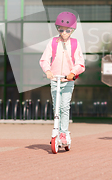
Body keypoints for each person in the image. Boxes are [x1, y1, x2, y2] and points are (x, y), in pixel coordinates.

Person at [40, 12, 85, 145]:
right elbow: (44, 59)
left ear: (72, 30)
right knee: (56, 107)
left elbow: (80, 63)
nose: (64, 33)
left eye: (68, 30)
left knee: (65, 107)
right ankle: (57, 131)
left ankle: (64, 133)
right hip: (55, 80)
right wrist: (47, 70)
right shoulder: (53, 42)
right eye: (61, 30)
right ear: (57, 29)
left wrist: (73, 72)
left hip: (68, 80)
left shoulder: (75, 44)